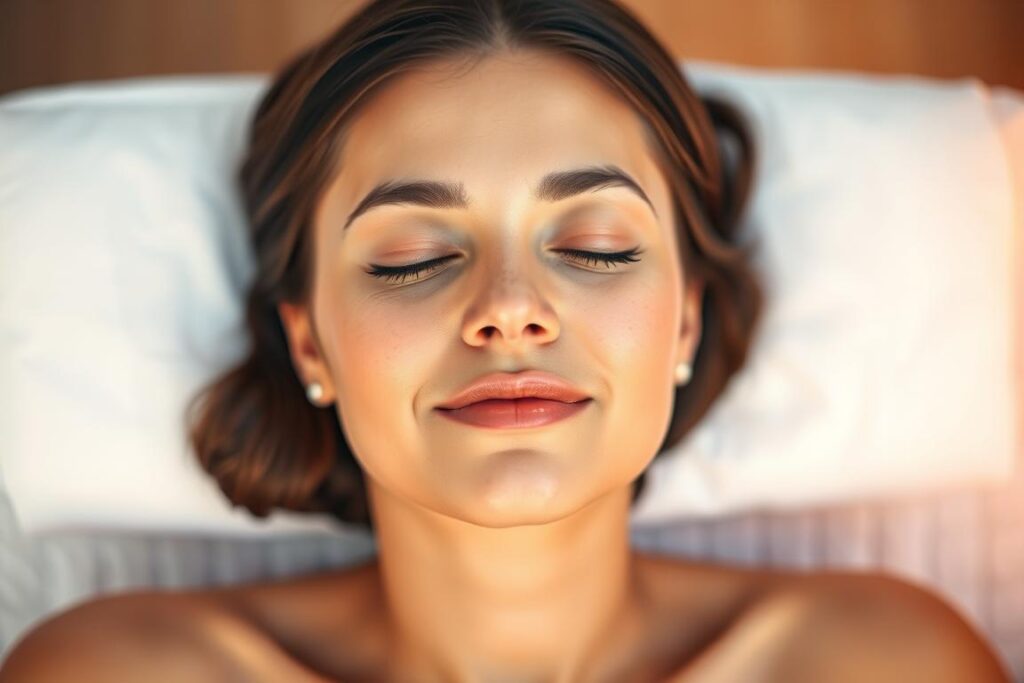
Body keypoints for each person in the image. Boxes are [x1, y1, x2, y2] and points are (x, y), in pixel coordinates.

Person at [0, 0, 1011, 681]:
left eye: (594, 244)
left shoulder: (878, 661)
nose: (511, 307)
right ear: (308, 345)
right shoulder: (114, 670)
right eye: (409, 257)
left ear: (687, 320)